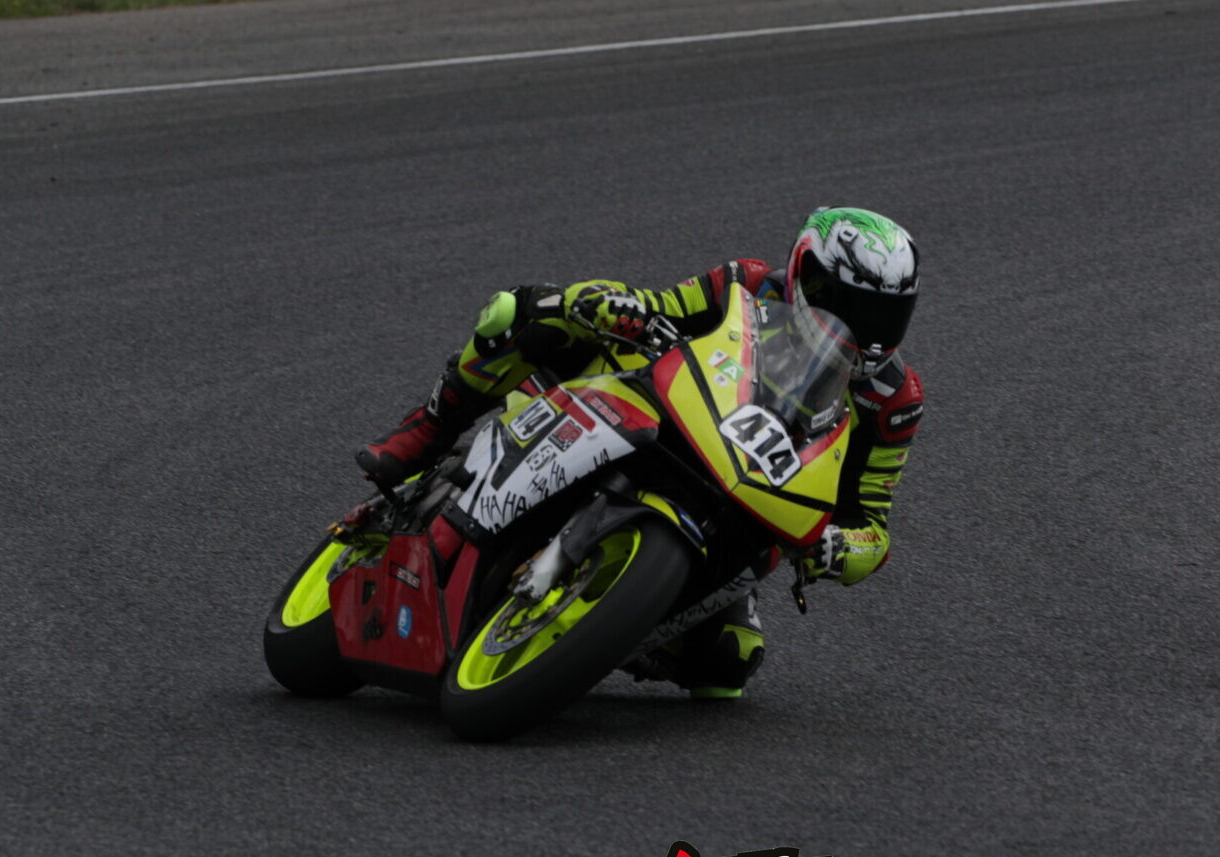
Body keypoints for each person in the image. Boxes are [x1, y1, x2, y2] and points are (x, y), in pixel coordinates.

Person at [356, 207, 925, 699]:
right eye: (846, 303)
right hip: (666, 417)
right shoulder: (747, 284)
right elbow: (660, 306)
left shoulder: (892, 402)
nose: (865, 330)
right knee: (528, 312)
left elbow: (873, 527)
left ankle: (606, 630)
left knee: (729, 663)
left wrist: (840, 548)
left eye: (884, 315)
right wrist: (612, 304)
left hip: (745, 513)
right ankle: (426, 431)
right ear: (804, 273)